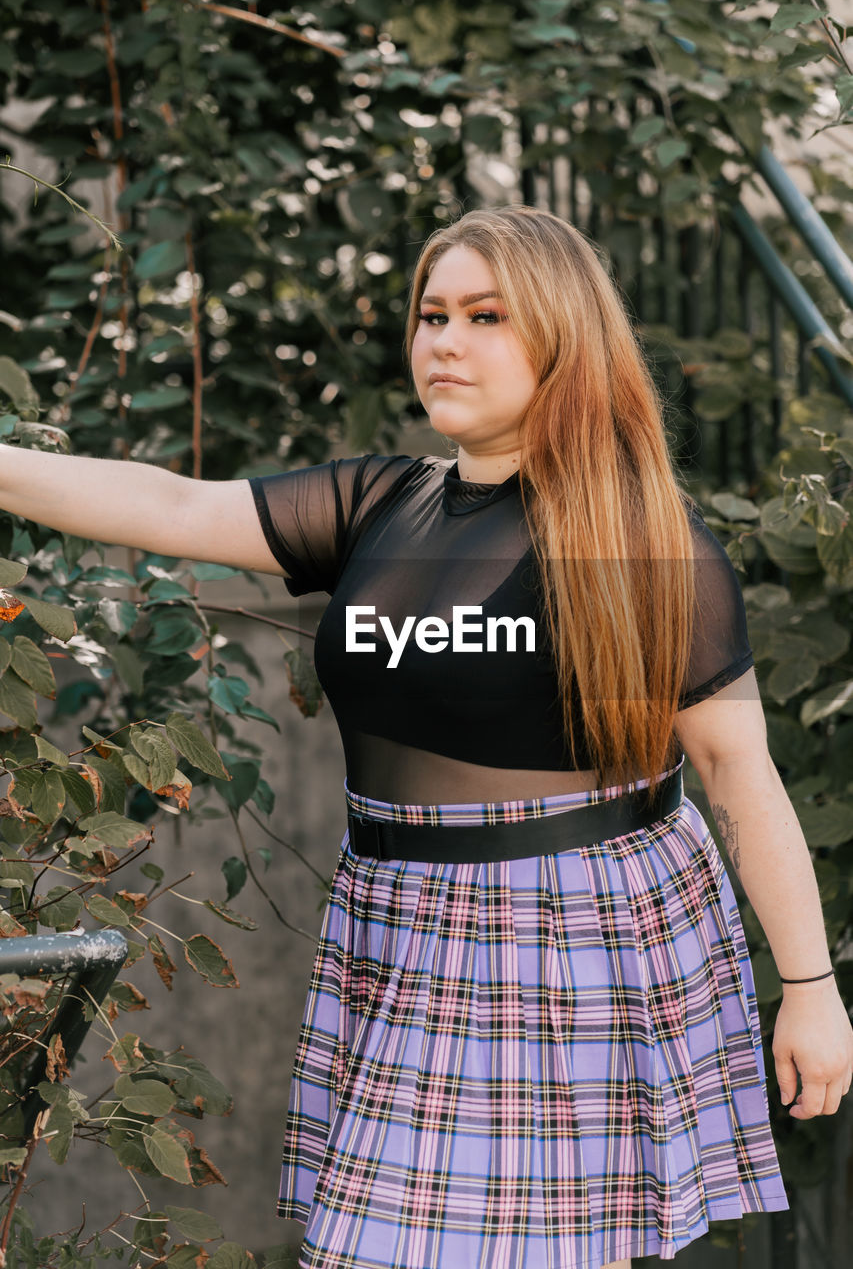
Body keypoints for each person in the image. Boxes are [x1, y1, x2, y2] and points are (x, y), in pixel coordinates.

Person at [1, 204, 851, 1269]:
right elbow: (171, 503)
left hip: (566, 935)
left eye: (485, 315)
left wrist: (811, 990)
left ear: (561, 335)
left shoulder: (639, 537)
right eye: (431, 313)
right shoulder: (377, 504)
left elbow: (737, 771)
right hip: (395, 924)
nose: (444, 341)